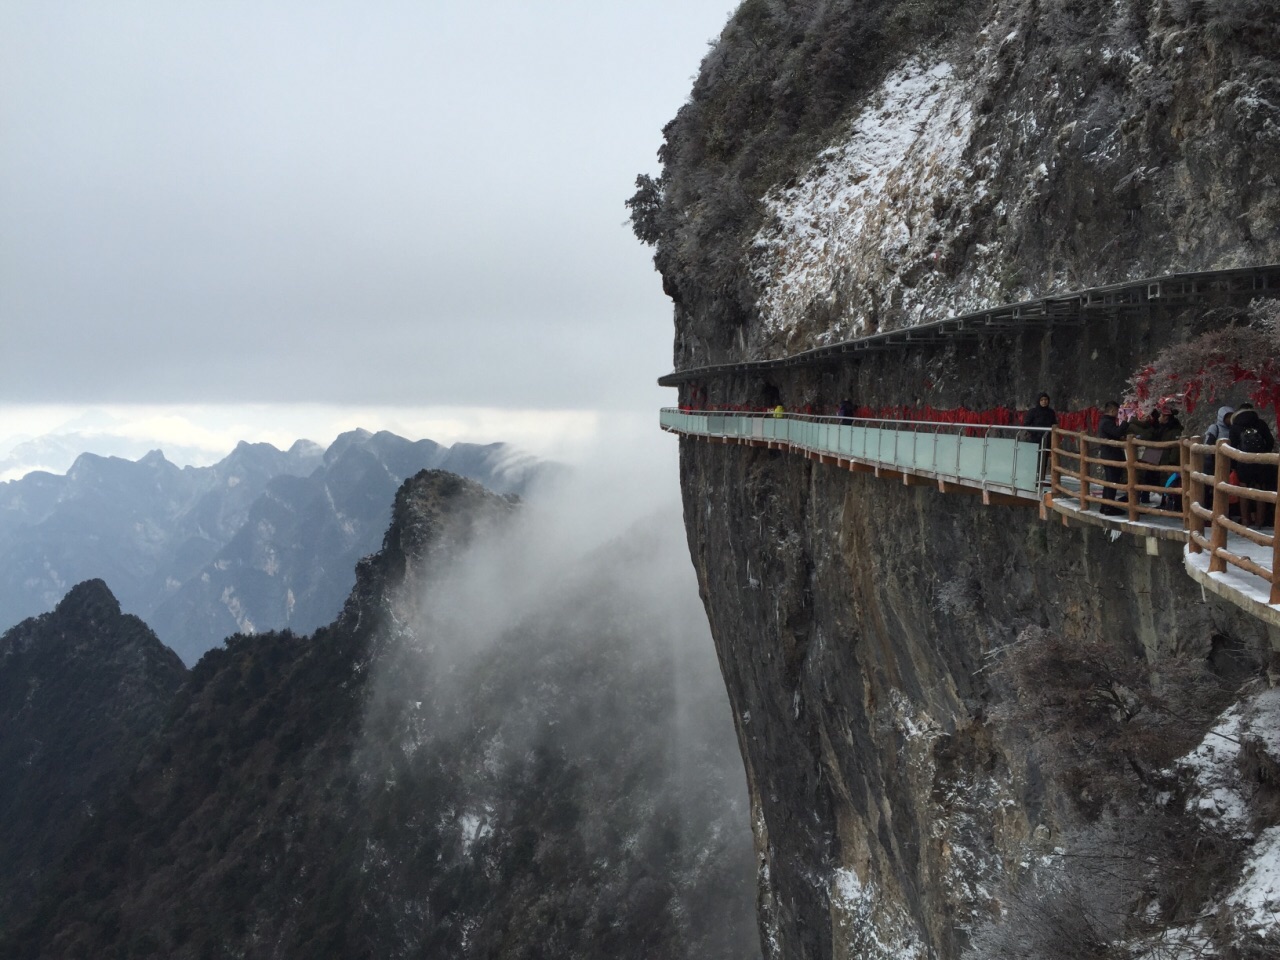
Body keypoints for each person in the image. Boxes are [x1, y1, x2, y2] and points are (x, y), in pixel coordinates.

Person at [1229, 403, 1276, 527]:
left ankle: (1245, 521)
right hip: (1261, 462)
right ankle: (1260, 521)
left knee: (1244, 492)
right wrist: (1263, 454)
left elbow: (1232, 446)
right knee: (1260, 491)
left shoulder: (1235, 426)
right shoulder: (1260, 423)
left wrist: (1234, 466)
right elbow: (1270, 441)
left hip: (1243, 464)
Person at [1098, 401, 1127, 515]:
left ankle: (1105, 505)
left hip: (1110, 455)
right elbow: (1117, 432)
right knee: (1112, 482)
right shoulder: (1106, 422)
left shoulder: (1106, 421)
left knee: (1110, 481)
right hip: (1111, 456)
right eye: (1117, 411)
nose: (1117, 414)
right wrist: (1125, 422)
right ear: (1112, 411)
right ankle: (1108, 507)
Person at [1024, 393, 1057, 479]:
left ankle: (1041, 479)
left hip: (1047, 439)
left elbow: (1054, 424)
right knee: (1034, 459)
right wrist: (1035, 432)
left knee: (1044, 460)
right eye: (1042, 400)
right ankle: (1031, 478)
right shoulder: (1033, 412)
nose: (1044, 402)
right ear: (1038, 401)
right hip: (1035, 439)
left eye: (1046, 400)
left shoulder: (1051, 412)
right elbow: (1026, 424)